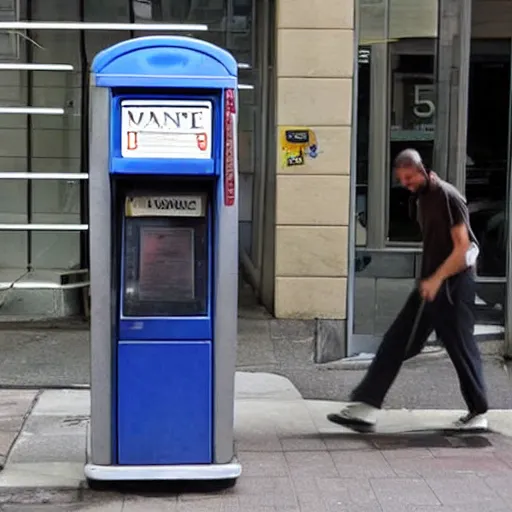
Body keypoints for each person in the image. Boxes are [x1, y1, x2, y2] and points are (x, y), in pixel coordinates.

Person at [328, 148, 489, 432]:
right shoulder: (422, 198)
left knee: (460, 347)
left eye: (409, 177)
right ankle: (366, 407)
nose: (405, 183)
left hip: (452, 285)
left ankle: (478, 412)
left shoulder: (447, 196)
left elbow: (463, 247)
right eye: (401, 179)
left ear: (421, 170)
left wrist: (437, 279)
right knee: (397, 340)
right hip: (431, 283)